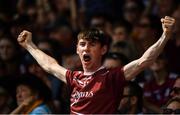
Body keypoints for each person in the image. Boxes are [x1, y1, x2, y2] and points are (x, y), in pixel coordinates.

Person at [17, 16, 175, 114]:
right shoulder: (74, 77)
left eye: (92, 44)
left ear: (103, 49)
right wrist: (29, 45)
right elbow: (49, 65)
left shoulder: (112, 77)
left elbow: (143, 61)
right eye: (83, 44)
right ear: (77, 50)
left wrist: (165, 36)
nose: (86, 48)